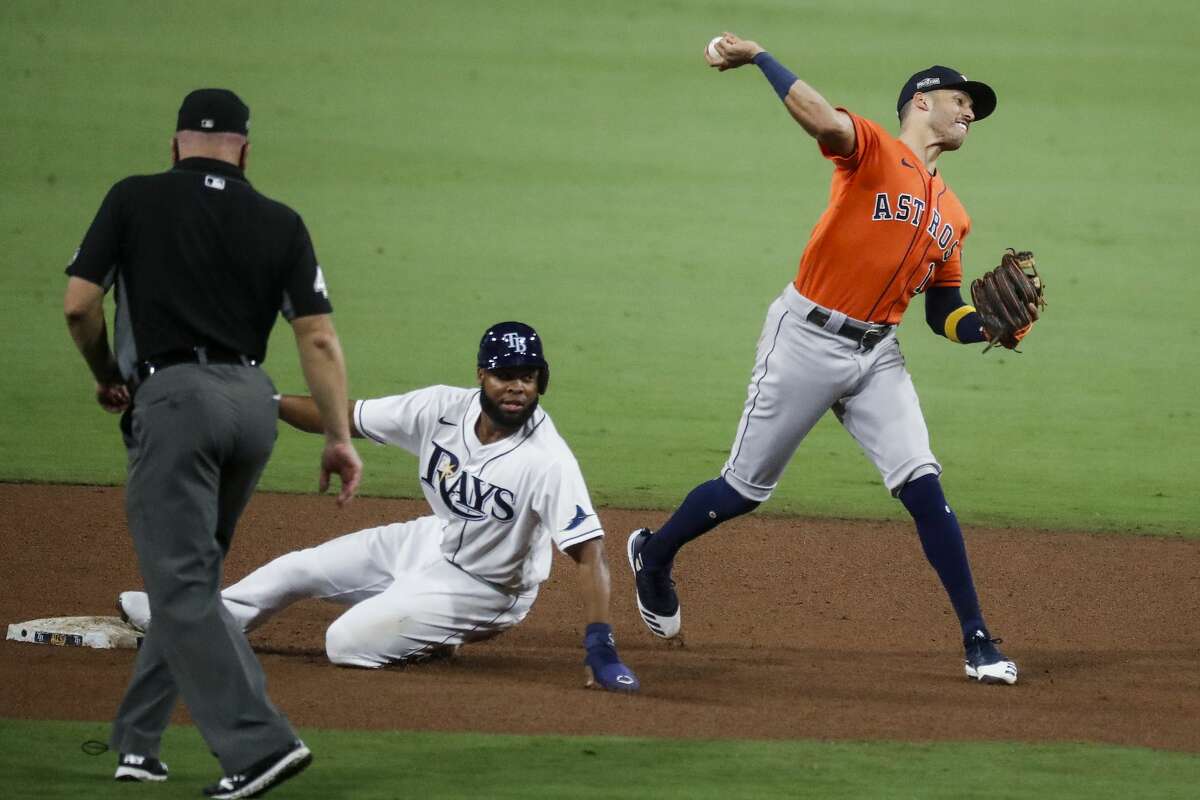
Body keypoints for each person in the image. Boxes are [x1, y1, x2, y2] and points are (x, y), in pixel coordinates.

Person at [627, 34, 1039, 685]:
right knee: (741, 490)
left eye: (974, 109)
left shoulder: (954, 215)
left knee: (924, 485)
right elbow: (821, 117)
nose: (969, 114)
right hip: (804, 339)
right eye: (961, 101)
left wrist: (988, 326)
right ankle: (653, 557)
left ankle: (978, 638)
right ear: (922, 102)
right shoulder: (873, 150)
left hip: (878, 355)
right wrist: (760, 57)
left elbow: (943, 311)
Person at [64, 88, 363, 798]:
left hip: (175, 402)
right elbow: (317, 336)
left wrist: (110, 375)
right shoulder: (280, 221)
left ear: (173, 145)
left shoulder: (133, 198)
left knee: (182, 586)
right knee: (190, 581)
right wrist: (340, 437)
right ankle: (138, 742)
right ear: (245, 150)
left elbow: (79, 306)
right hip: (253, 407)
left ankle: (260, 745)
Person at [119, 321, 640, 693]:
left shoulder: (548, 461)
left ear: (540, 381)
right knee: (299, 567)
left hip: (487, 588)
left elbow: (589, 554)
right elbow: (342, 415)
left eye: (529, 376)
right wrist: (260, 403)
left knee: (345, 643)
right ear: (481, 374)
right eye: (507, 374)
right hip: (432, 541)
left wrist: (600, 645)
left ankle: (428, 635)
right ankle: (193, 623)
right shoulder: (440, 408)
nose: (518, 387)